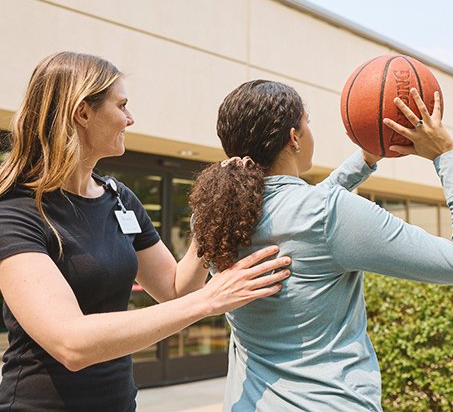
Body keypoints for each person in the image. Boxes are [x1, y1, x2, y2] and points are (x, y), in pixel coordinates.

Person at [0, 53, 293, 412]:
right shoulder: (16, 210)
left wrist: (215, 212)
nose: (130, 118)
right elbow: (70, 343)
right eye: (122, 105)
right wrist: (209, 300)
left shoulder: (118, 198)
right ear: (82, 112)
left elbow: (173, 288)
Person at [189, 79, 453, 411]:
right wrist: (446, 156)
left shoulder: (214, 215)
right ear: (294, 138)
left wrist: (366, 159)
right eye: (307, 123)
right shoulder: (327, 214)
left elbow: (305, 209)